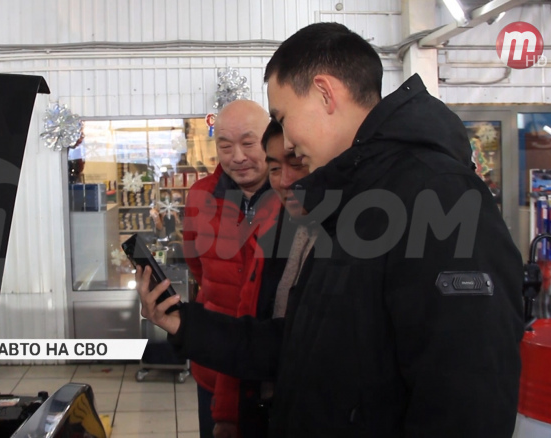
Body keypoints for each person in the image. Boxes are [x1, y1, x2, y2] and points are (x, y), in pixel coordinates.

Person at [139, 22, 524, 437]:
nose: (286, 142)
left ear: (325, 93)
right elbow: (303, 345)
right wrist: (186, 324)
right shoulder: (353, 198)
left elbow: (468, 402)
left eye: (283, 118)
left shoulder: (438, 195)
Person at [181, 99, 280, 438]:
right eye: (225, 146)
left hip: (270, 367)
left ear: (270, 141)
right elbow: (196, 264)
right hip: (214, 363)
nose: (237, 157)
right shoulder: (200, 196)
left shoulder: (291, 197)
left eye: (249, 144)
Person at [236, 120, 312, 438]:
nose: (284, 181)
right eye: (275, 169)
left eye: (297, 163)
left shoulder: (345, 235)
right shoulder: (280, 221)